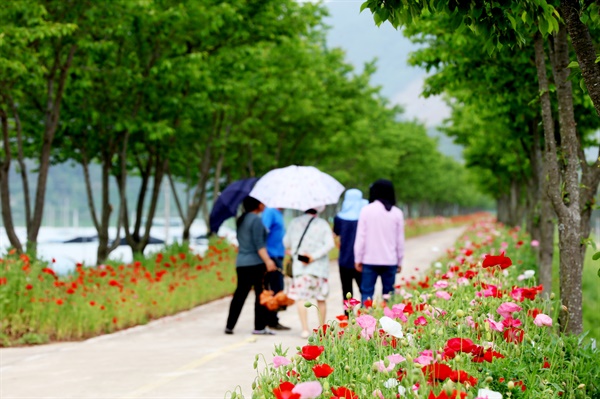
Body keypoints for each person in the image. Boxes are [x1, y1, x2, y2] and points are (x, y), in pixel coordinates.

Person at [225, 196, 277, 335]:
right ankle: (259, 327)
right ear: (257, 205)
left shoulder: (241, 219)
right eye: (262, 202)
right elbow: (259, 245)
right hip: (255, 263)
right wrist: (268, 261)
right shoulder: (256, 220)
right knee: (261, 294)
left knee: (240, 294)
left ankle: (230, 325)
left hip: (241, 262)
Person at [284, 207, 334, 338]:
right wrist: (313, 256)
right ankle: (322, 329)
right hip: (319, 268)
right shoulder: (322, 224)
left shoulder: (294, 222)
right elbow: (330, 244)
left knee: (301, 298)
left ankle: (305, 329)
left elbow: (286, 242)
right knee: (321, 299)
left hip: (300, 268)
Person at [354, 179, 405, 304]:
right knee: (389, 296)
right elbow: (400, 240)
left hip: (369, 260)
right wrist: (399, 260)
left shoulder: (366, 210)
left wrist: (358, 259)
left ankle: (365, 321)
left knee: (366, 294)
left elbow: (361, 237)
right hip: (390, 260)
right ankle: (388, 322)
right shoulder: (397, 213)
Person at [333, 189, 366, 314]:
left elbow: (337, 233)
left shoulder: (339, 218)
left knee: (346, 291)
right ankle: (365, 314)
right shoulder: (363, 217)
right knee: (364, 290)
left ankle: (348, 317)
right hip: (361, 260)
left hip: (344, 259)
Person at [262, 207, 290, 331]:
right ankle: (270, 320)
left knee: (278, 288)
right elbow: (263, 232)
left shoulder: (278, 213)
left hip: (278, 254)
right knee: (273, 289)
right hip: (271, 256)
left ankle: (273, 319)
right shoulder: (270, 212)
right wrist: (267, 258)